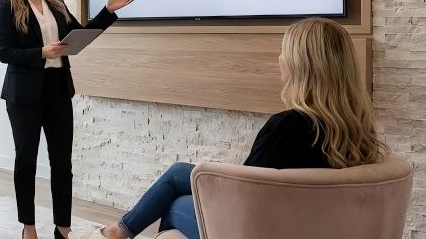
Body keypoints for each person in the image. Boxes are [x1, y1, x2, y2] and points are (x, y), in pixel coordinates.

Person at [86, 17, 390, 239]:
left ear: (301, 65)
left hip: (262, 231)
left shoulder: (286, 126)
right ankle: (119, 231)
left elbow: (243, 199)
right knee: (181, 172)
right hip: (318, 226)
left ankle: (119, 233)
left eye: (285, 51)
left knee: (177, 204)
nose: (280, 58)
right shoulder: (357, 127)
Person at [0, 0, 137, 239]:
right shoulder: (6, 5)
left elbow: (78, 34)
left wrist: (107, 12)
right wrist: (40, 53)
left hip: (58, 89)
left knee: (62, 163)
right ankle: (29, 228)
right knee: (26, 161)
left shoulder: (55, 1)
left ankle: (63, 228)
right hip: (24, 96)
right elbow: (3, 52)